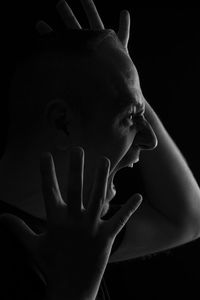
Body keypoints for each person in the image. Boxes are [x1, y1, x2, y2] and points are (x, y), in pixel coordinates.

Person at [0, 0, 200, 299]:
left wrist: (127, 86)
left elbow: (187, 219)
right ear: (63, 123)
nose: (150, 139)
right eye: (131, 118)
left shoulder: (72, 231)